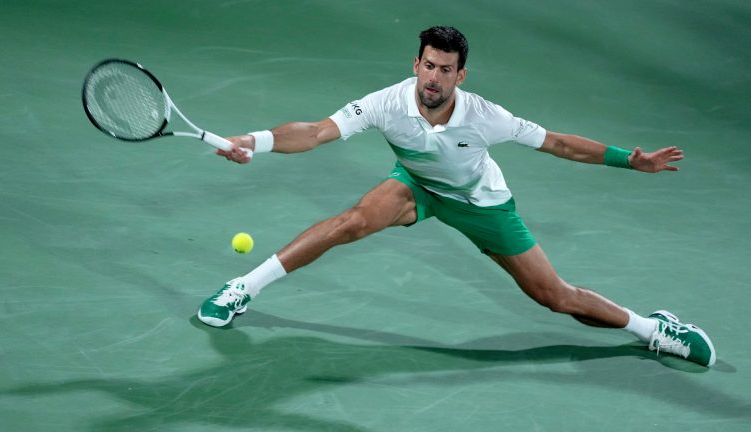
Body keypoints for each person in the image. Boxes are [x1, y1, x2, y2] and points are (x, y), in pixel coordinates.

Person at [197, 26, 716, 367]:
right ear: (416, 64)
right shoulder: (386, 102)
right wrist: (255, 142)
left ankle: (653, 329)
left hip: (481, 203)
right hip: (417, 186)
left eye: (446, 70)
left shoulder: (487, 116)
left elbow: (558, 143)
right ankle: (243, 287)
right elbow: (313, 132)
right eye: (428, 65)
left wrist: (631, 159)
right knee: (351, 221)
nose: (434, 78)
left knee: (554, 297)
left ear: (460, 75)